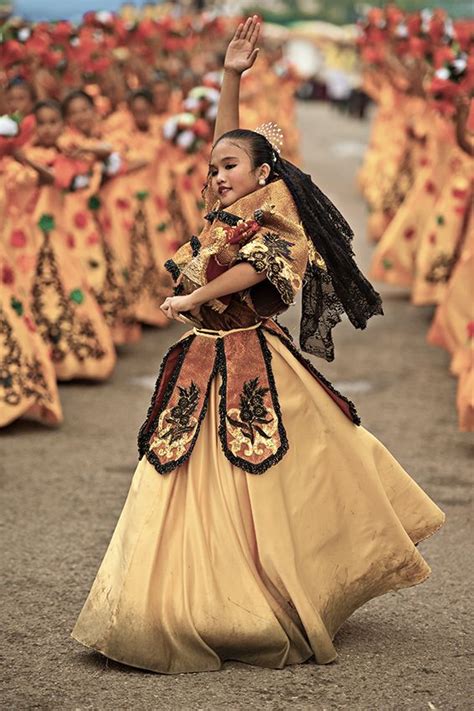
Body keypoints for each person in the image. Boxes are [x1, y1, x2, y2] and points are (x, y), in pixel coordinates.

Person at [72, 17, 445, 673]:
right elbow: (228, 142)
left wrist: (190, 298)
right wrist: (229, 76)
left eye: (229, 168)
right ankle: (181, 601)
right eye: (213, 168)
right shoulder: (224, 207)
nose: (216, 174)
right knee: (177, 475)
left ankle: (265, 599)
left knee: (276, 479)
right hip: (202, 360)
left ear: (262, 172)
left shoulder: (279, 221)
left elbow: (258, 268)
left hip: (252, 360)